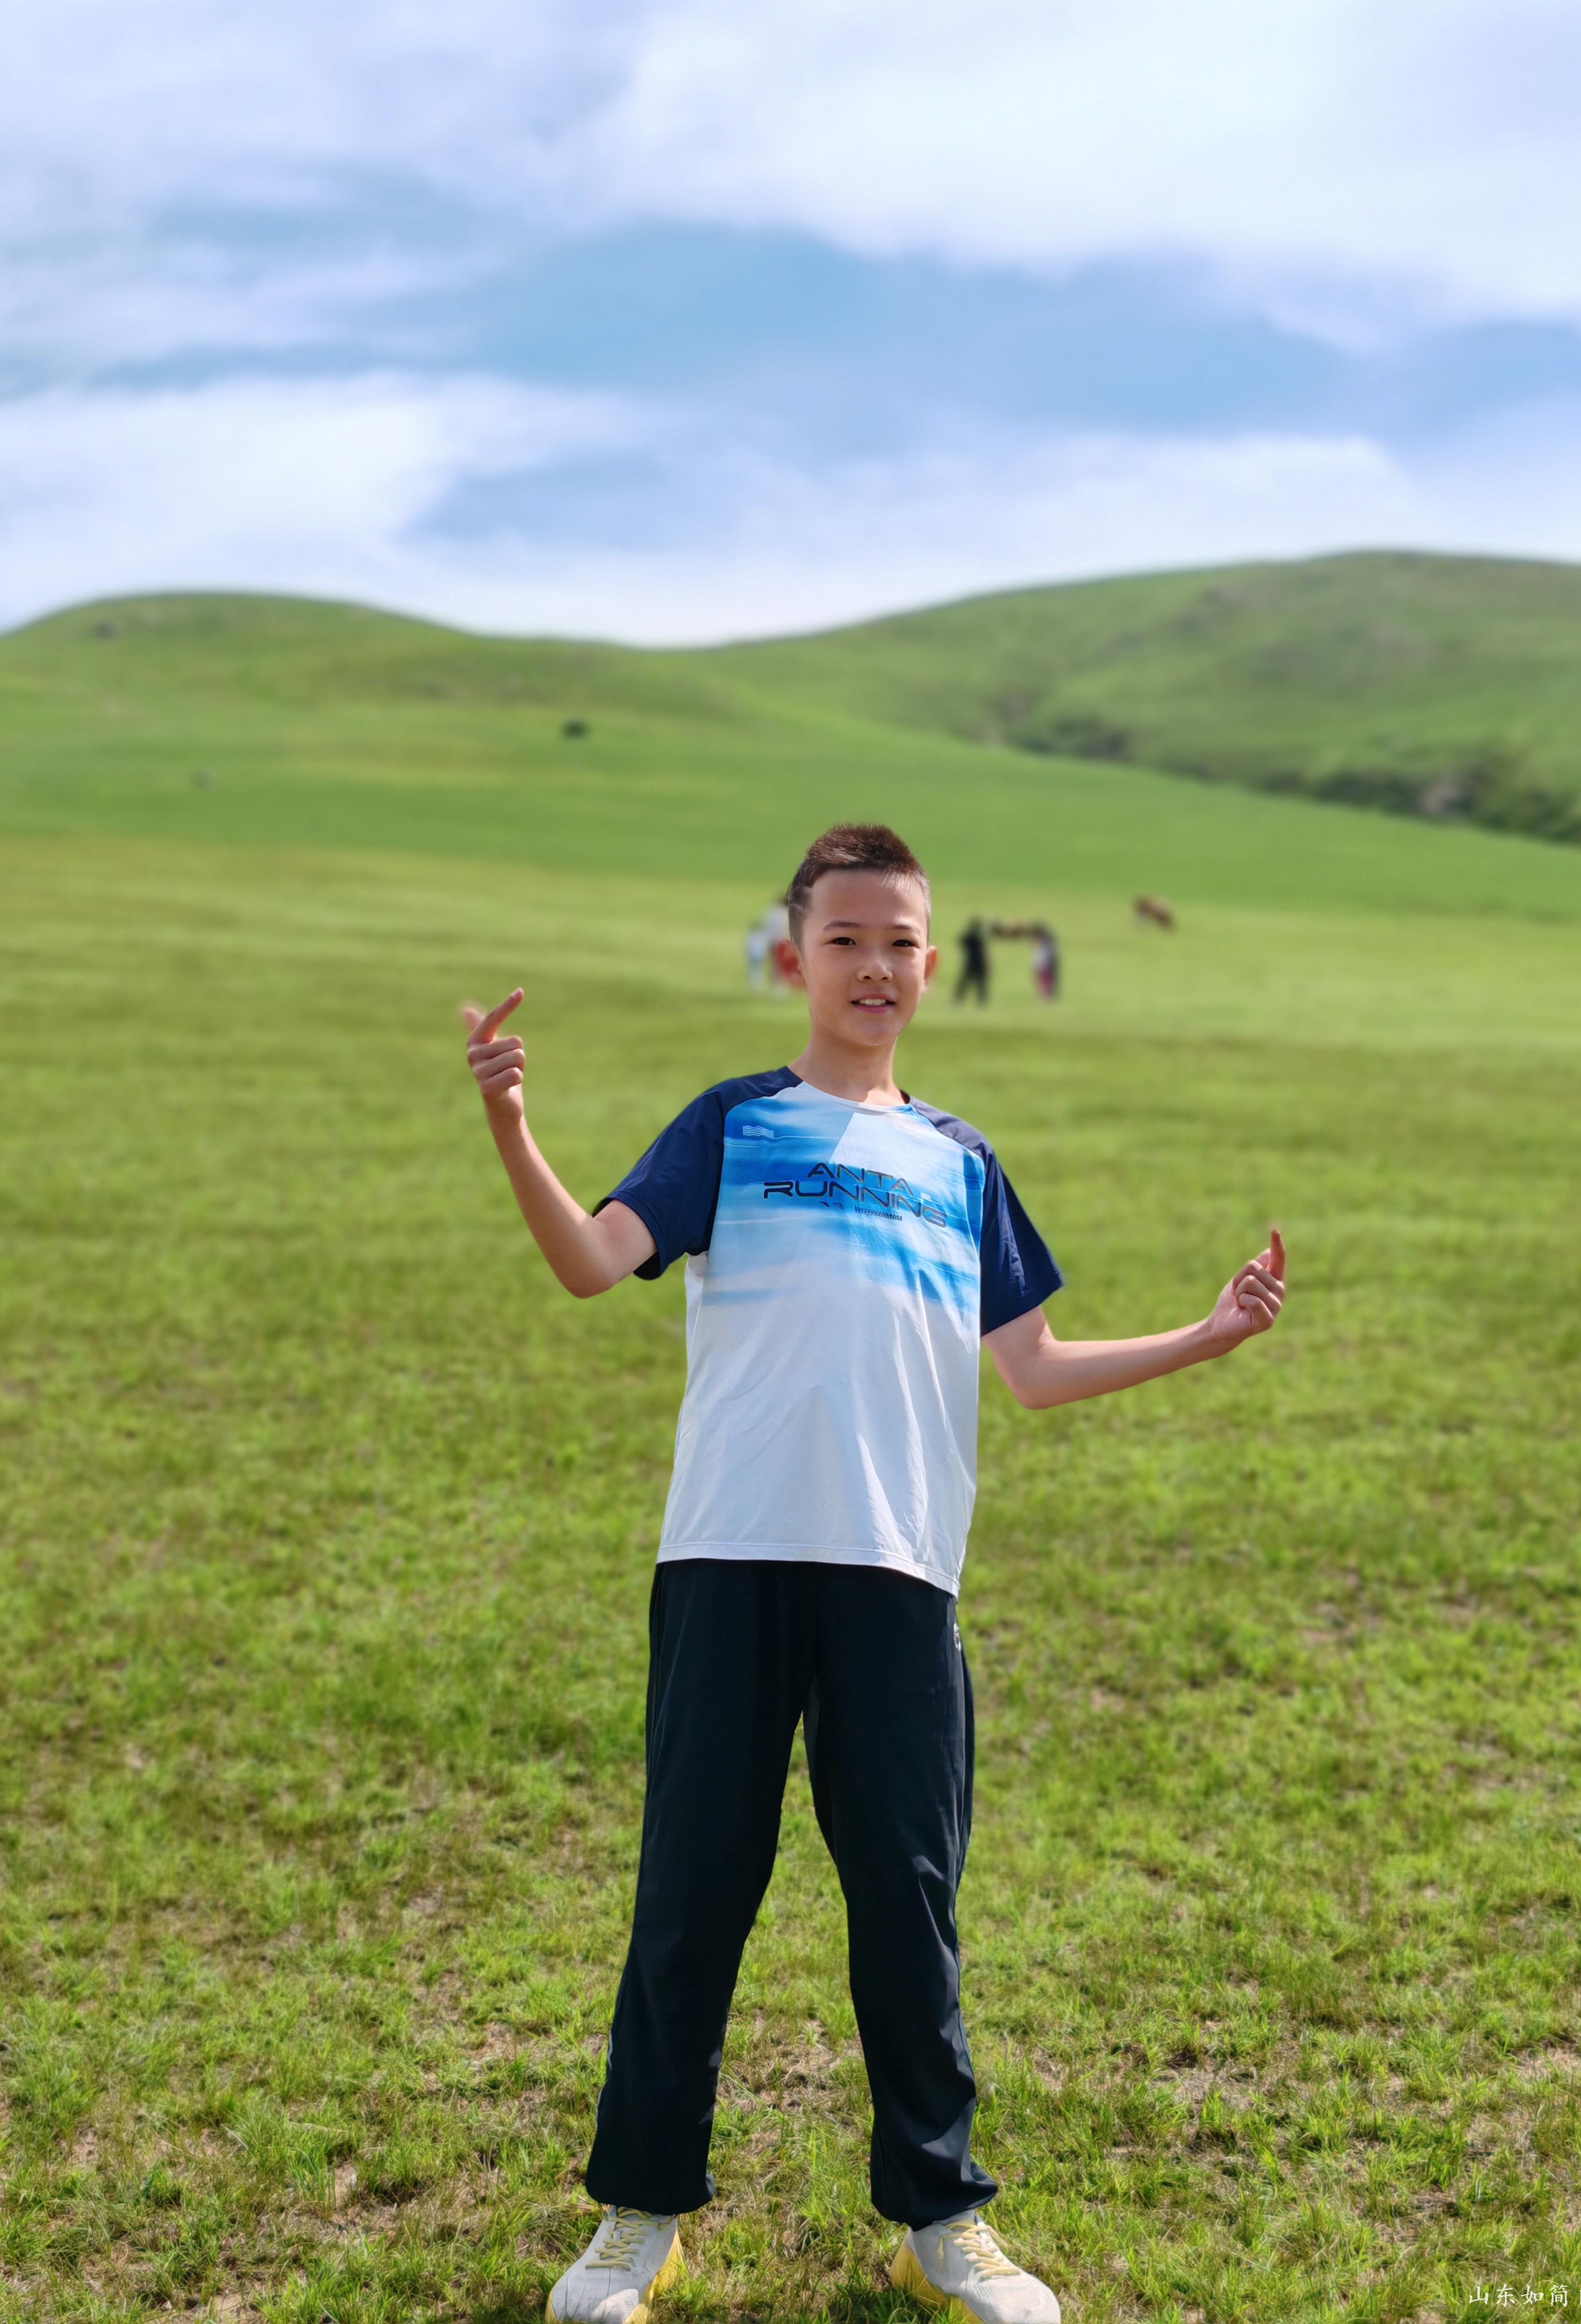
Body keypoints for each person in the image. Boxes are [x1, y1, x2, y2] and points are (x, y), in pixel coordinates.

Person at [461, 823, 1286, 2324]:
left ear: (930, 960)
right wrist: (514, 1125)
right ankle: (641, 2217)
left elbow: (1033, 1369)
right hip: (729, 1555)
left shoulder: (961, 1162)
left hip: (901, 1573)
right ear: (797, 957)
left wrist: (1207, 1335)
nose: (876, 966)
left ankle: (940, 2219)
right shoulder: (732, 1125)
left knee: (911, 1904)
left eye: (901, 941)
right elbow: (589, 1261)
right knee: (692, 1891)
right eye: (845, 939)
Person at [955, 916, 991, 1004]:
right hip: (980, 964)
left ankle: (959, 998)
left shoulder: (969, 938)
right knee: (980, 984)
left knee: (966, 982)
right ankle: (981, 1000)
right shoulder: (980, 939)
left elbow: (961, 940)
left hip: (971, 963)